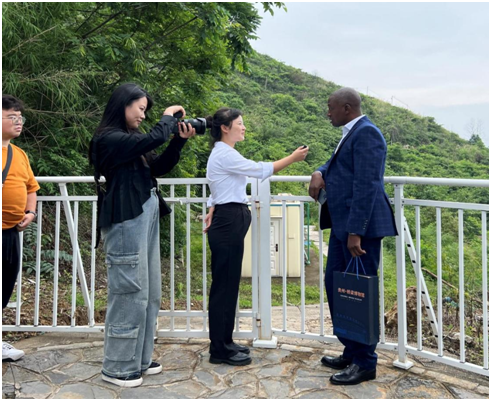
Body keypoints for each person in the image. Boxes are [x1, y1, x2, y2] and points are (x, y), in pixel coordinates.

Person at [89, 83, 196, 388]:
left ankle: (139, 359)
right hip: (125, 217)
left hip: (144, 211)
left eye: (146, 110)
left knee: (149, 294)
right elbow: (155, 136)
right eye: (140, 108)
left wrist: (178, 141)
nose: (143, 115)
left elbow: (157, 167)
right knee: (129, 291)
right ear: (123, 105)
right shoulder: (108, 138)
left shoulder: (133, 139)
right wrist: (168, 116)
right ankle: (117, 366)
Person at [203, 108, 309, 366]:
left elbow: (219, 187)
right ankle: (219, 349)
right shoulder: (225, 153)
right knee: (224, 287)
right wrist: (293, 158)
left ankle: (225, 342)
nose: (244, 128)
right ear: (225, 128)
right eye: (239, 123)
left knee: (228, 285)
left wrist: (212, 205)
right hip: (228, 221)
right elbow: (260, 170)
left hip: (229, 218)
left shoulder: (224, 152)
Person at [308, 88, 397, 386]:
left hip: (360, 231)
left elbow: (367, 184)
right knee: (337, 287)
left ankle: (365, 362)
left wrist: (356, 232)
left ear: (346, 108)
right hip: (342, 227)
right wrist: (319, 171)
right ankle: (351, 349)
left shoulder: (367, 133)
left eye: (330, 107)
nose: (327, 112)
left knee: (360, 294)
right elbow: (337, 166)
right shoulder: (352, 132)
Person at [2, 95, 40, 362]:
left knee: (5, 282)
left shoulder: (19, 154)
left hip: (11, 232)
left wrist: (31, 212)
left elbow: (31, 187)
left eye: (20, 117)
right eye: (11, 117)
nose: (19, 122)